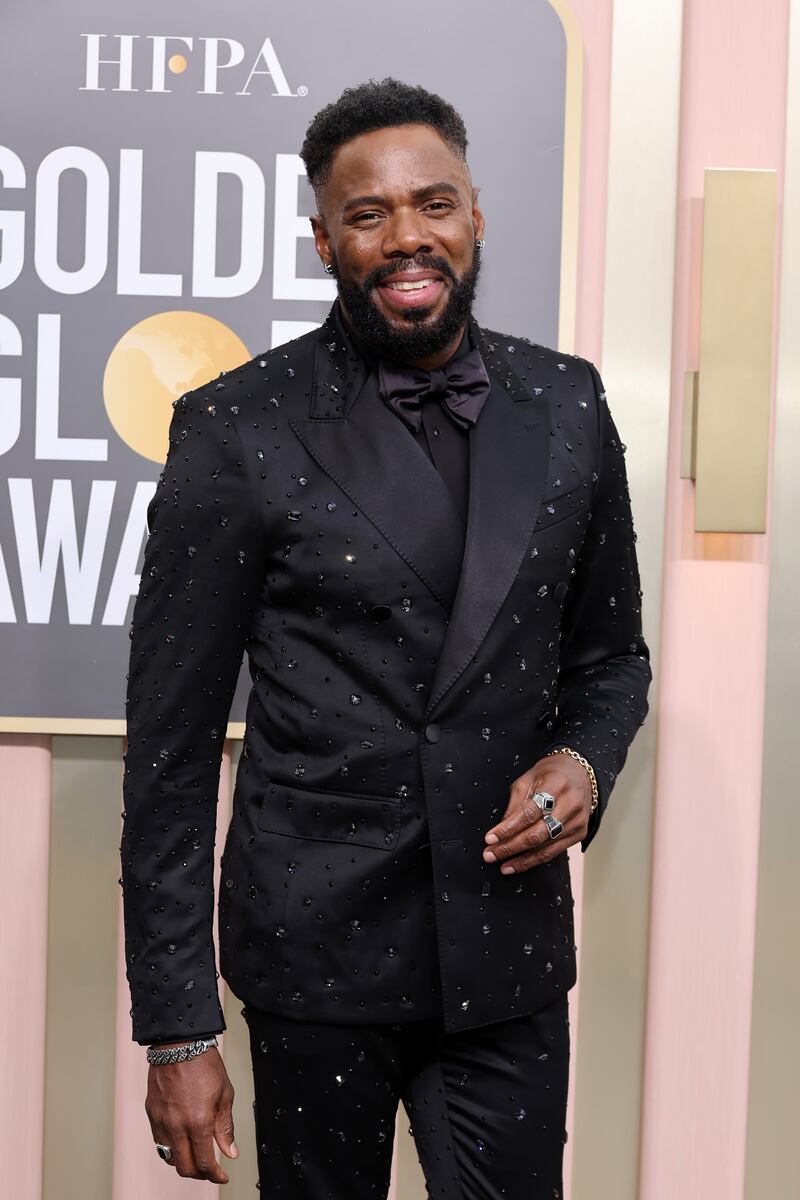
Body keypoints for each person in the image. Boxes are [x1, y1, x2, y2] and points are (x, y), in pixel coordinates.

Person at [121, 78, 651, 1198]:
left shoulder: (565, 402)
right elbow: (167, 761)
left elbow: (611, 658)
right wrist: (177, 1030)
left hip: (502, 952)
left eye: (434, 203)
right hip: (314, 955)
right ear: (324, 240)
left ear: (476, 216)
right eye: (367, 215)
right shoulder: (236, 429)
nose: (407, 235)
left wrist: (585, 761)